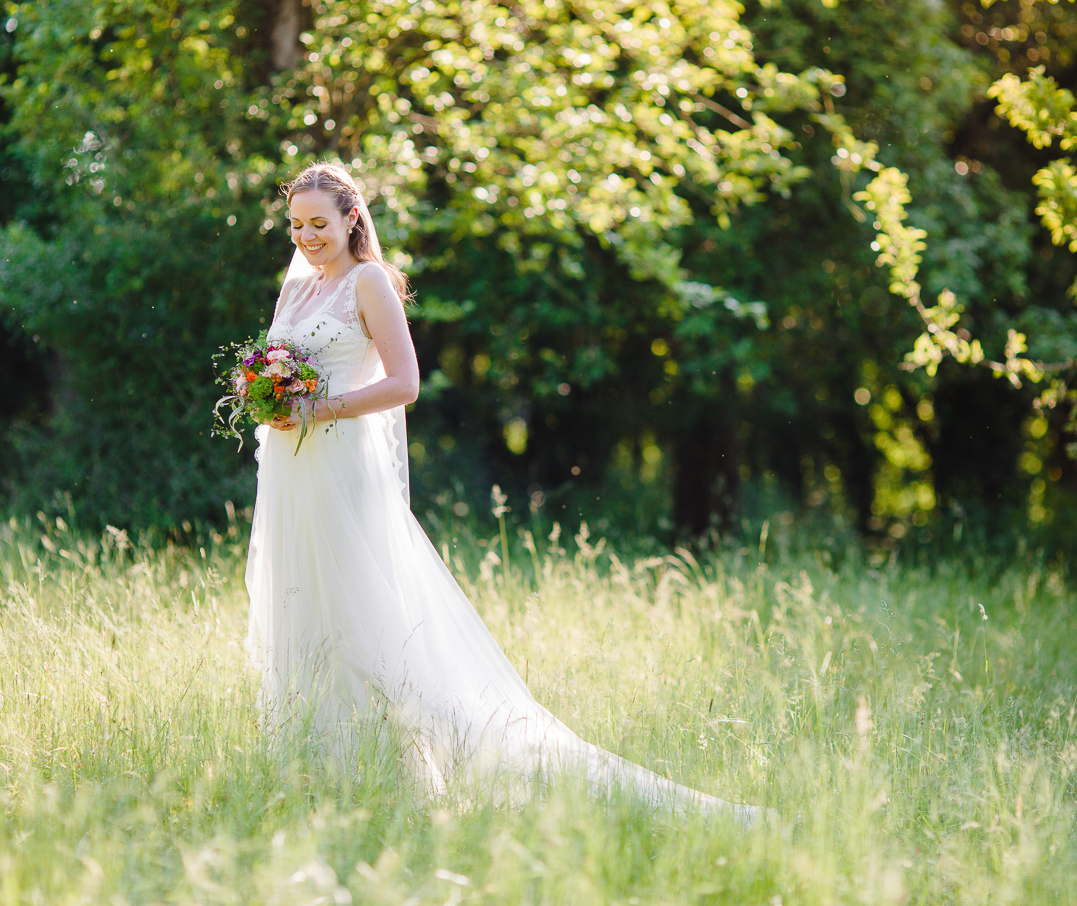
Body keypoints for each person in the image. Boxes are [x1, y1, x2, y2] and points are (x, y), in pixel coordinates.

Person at [243, 160, 763, 819]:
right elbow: (273, 367)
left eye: (319, 223)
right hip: (295, 475)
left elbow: (405, 384)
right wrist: (260, 396)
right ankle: (321, 777)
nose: (307, 237)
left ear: (351, 218)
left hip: (345, 470)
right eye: (295, 226)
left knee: (363, 624)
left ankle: (422, 781)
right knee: (305, 612)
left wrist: (321, 409)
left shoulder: (367, 283)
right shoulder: (295, 291)